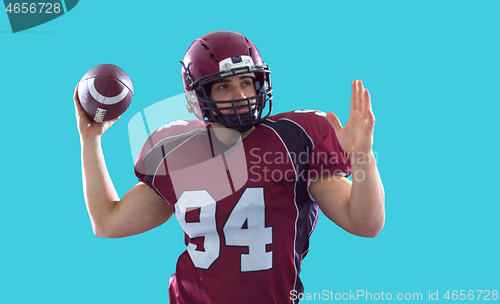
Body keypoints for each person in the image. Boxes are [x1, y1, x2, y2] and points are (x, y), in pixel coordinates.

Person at [74, 30, 385, 304]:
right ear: (199, 96)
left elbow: (364, 224)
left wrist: (363, 157)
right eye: (223, 86)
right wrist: (91, 140)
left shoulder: (297, 139)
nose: (240, 95)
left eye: (246, 82)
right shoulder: (179, 150)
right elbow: (108, 222)